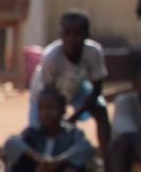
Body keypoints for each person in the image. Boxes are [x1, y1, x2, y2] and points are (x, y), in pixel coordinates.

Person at [28, 11, 111, 151]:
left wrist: (74, 117)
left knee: (101, 109)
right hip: (45, 94)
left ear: (87, 35)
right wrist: (59, 117)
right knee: (38, 131)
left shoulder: (93, 52)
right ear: (60, 35)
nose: (72, 39)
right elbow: (48, 95)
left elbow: (97, 89)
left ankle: (107, 158)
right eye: (67, 33)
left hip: (77, 88)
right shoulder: (51, 56)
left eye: (78, 34)